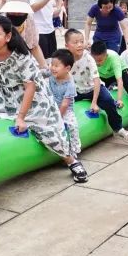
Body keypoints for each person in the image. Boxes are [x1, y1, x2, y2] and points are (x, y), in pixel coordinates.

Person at [0, 15, 88, 182]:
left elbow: (30, 87)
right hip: (4, 95)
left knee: (47, 130)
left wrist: (21, 117)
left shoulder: (21, 56)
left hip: (33, 98)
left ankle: (71, 161)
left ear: (8, 36)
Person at [64, 28, 128, 143]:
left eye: (81, 41)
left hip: (93, 88)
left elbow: (96, 81)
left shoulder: (89, 58)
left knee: (109, 101)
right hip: (76, 90)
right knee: (61, 103)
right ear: (67, 46)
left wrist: (94, 103)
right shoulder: (65, 59)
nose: (79, 45)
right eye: (75, 42)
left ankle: (118, 128)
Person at [48, 49, 85, 178]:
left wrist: (57, 118)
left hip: (65, 110)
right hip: (51, 107)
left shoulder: (70, 84)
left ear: (67, 68)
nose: (53, 68)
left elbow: (64, 104)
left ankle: (73, 152)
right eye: (52, 64)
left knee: (72, 126)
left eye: (56, 66)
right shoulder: (51, 74)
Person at [0, 0, 46, 69]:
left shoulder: (29, 19)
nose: (16, 14)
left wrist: (44, 67)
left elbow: (34, 46)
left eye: (20, 13)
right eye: (13, 12)